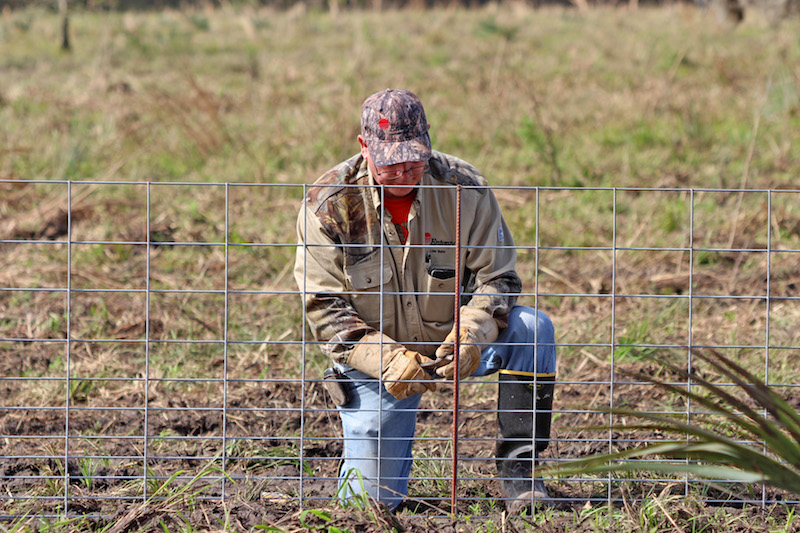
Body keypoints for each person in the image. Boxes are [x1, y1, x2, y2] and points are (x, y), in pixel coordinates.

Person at [293, 88, 557, 513]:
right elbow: (324, 308)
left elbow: (500, 278)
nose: (403, 172)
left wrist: (472, 333)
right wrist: (387, 359)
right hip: (375, 357)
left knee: (532, 330)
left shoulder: (463, 187)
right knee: (369, 506)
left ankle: (519, 472)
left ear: (428, 142)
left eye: (413, 158)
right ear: (364, 148)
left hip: (456, 338)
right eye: (389, 162)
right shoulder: (330, 204)